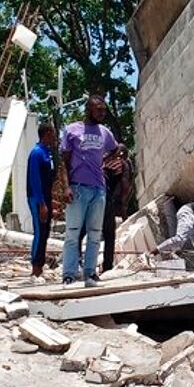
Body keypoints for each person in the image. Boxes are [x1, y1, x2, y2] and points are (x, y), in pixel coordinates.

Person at [60, 96, 118, 287]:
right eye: (99, 109)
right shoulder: (72, 130)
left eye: (104, 110)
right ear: (89, 110)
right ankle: (69, 274)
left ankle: (90, 274)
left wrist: (106, 161)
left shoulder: (105, 132)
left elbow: (116, 149)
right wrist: (65, 186)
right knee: (73, 232)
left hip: (98, 189)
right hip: (77, 188)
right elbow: (64, 162)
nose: (102, 113)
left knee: (95, 233)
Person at [26, 124, 57, 277]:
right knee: (40, 230)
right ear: (47, 133)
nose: (55, 137)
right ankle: (35, 267)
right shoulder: (37, 153)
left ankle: (41, 265)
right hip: (37, 198)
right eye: (53, 134)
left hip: (46, 197)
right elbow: (35, 179)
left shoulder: (48, 153)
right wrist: (42, 203)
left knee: (46, 232)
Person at [100, 145, 134, 274]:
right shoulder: (121, 164)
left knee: (96, 233)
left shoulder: (105, 162)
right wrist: (123, 206)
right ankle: (107, 267)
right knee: (109, 235)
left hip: (99, 198)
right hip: (109, 201)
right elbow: (125, 186)